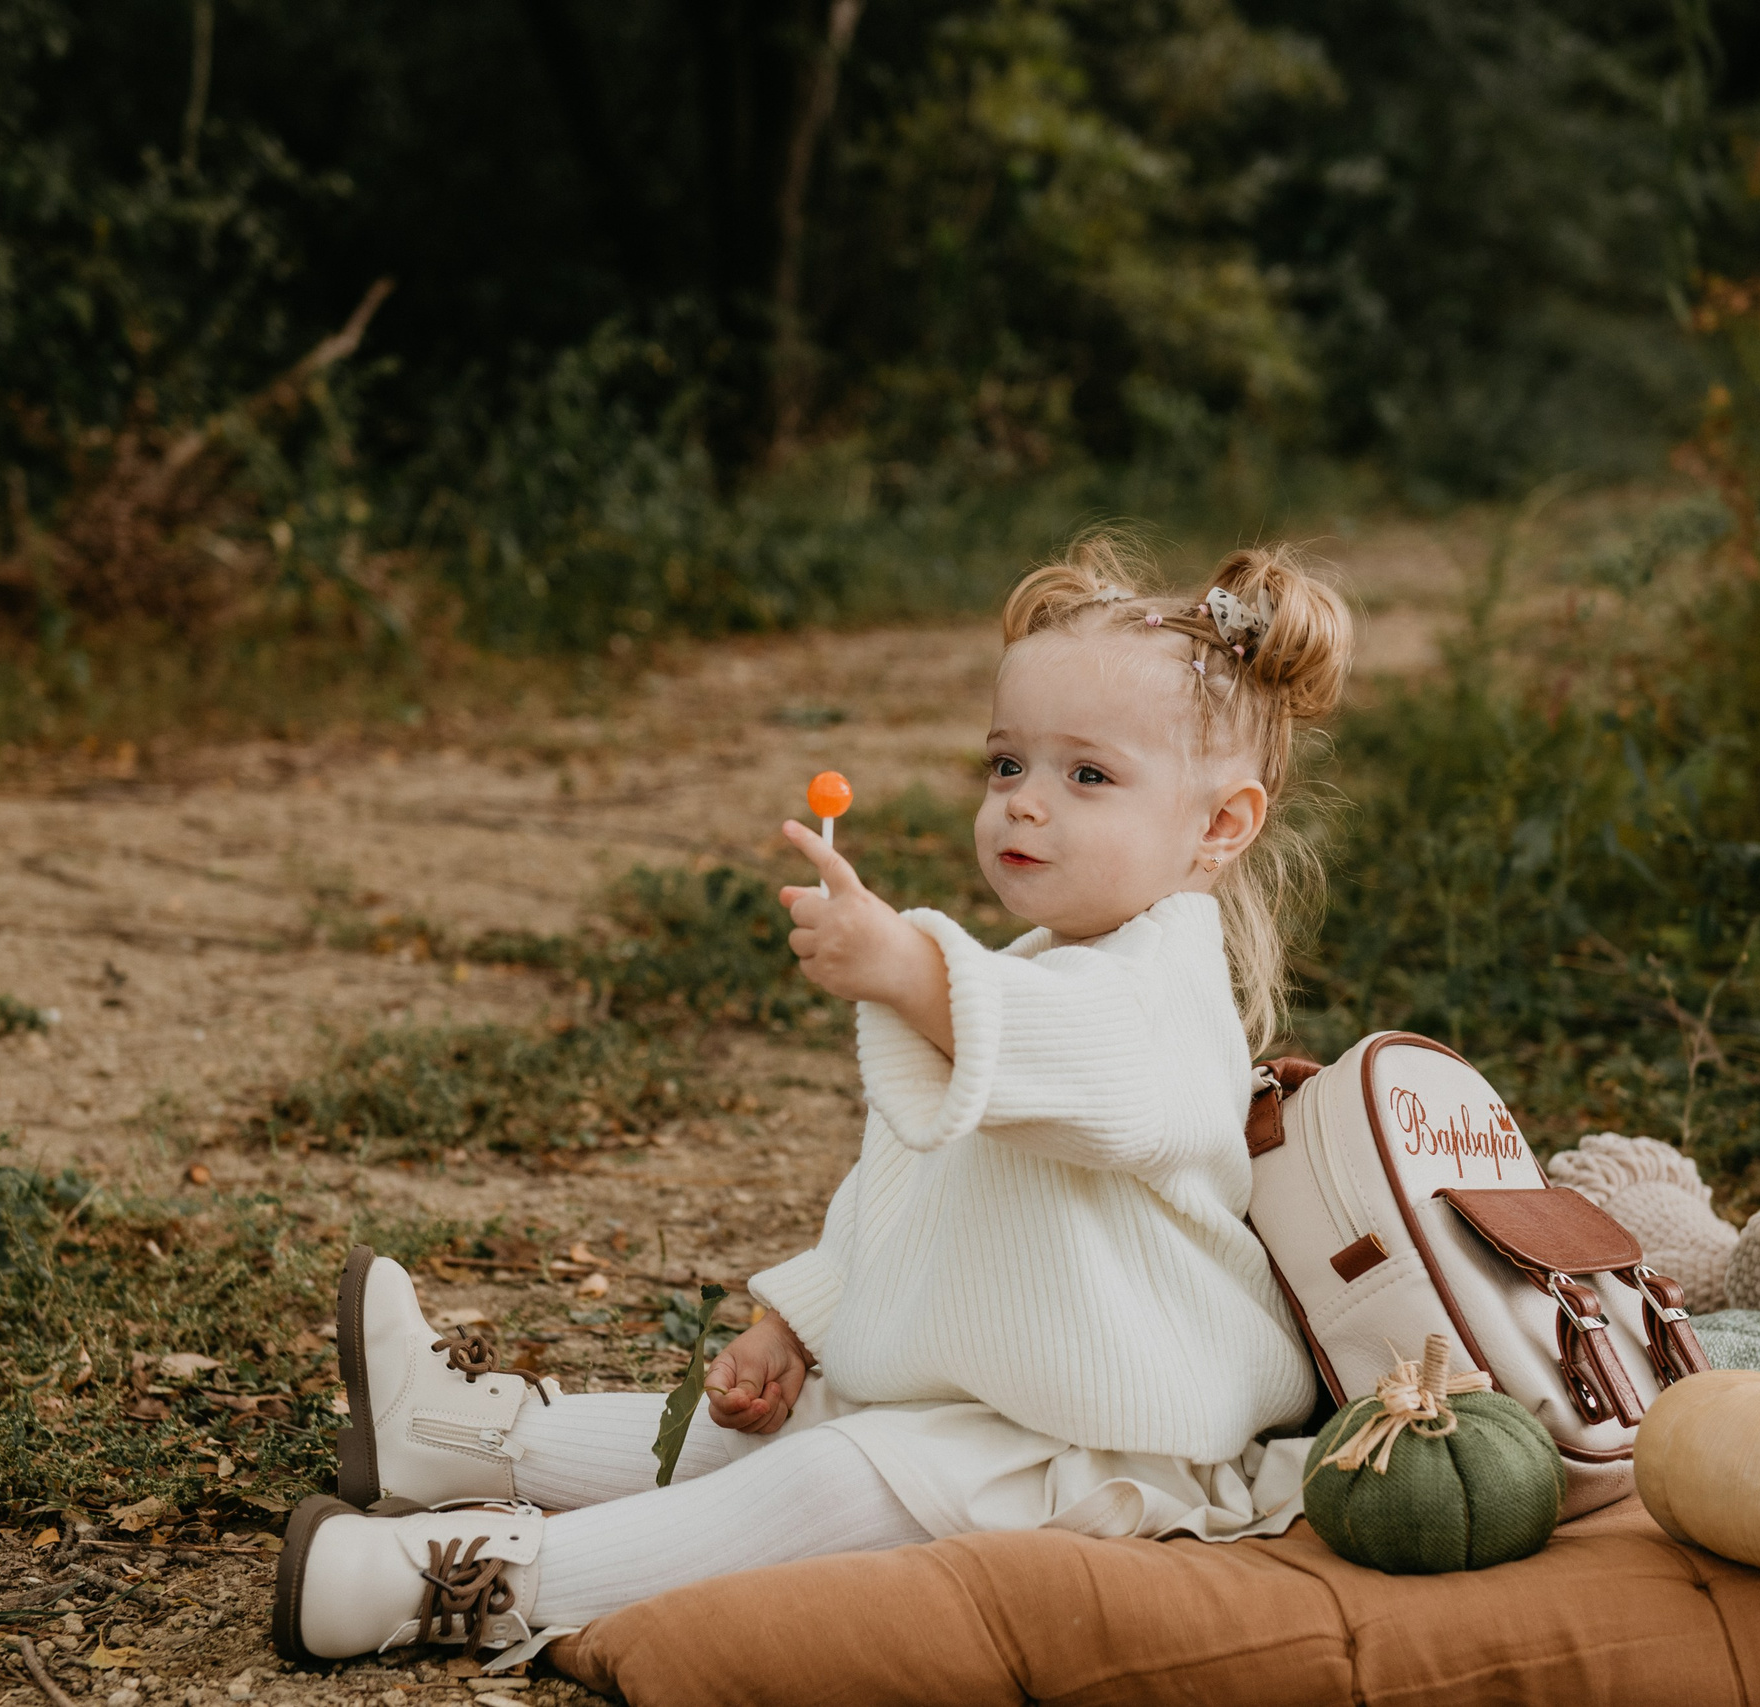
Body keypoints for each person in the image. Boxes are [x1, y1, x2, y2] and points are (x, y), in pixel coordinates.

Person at [270, 534, 1353, 1668]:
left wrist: (904, 965)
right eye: (1006, 766)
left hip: (1111, 1452)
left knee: (829, 1478)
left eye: (1086, 776)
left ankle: (464, 1583)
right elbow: (916, 1181)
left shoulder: (1162, 993)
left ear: (1219, 828)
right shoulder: (1037, 967)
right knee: (792, 1428)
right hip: (993, 1405)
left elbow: (1079, 1065)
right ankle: (453, 1440)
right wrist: (801, 1318)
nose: (1026, 806)